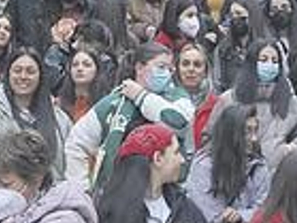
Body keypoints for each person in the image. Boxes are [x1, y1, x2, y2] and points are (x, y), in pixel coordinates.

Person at [63, 43, 194, 191]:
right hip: (118, 194)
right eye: (161, 67)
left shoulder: (178, 97)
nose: (166, 74)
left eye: (170, 69)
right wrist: (81, 188)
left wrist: (141, 97)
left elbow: (179, 123)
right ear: (139, 68)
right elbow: (77, 142)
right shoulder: (115, 102)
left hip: (168, 193)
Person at [0, 49, 72, 180]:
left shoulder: (60, 119)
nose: (23, 76)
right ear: (7, 74)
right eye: (17, 71)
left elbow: (69, 163)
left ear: (40, 76)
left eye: (30, 71)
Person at [213, 40, 297, 167]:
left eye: (274, 61)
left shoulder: (291, 102)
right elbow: (213, 138)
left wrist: (291, 148)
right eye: (264, 59)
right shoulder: (229, 99)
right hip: (235, 172)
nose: (270, 64)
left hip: (279, 174)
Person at [184, 104, 271, 223]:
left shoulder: (258, 164)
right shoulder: (204, 166)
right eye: (247, 132)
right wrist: (228, 219)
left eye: (255, 130)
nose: (254, 138)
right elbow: (208, 215)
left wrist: (242, 215)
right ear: (230, 134)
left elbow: (266, 207)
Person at [173, 41, 219, 152]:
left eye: (197, 65)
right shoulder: (165, 101)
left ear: (205, 71)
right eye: (185, 64)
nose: (191, 69)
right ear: (177, 69)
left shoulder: (217, 105)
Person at [214, 0, 264, 92]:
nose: (235, 18)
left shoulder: (269, 47)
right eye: (232, 15)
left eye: (239, 13)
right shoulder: (222, 49)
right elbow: (217, 84)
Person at [59, 48, 111, 124]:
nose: (79, 69)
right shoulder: (59, 104)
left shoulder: (106, 104)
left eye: (87, 65)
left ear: (97, 70)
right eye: (75, 65)